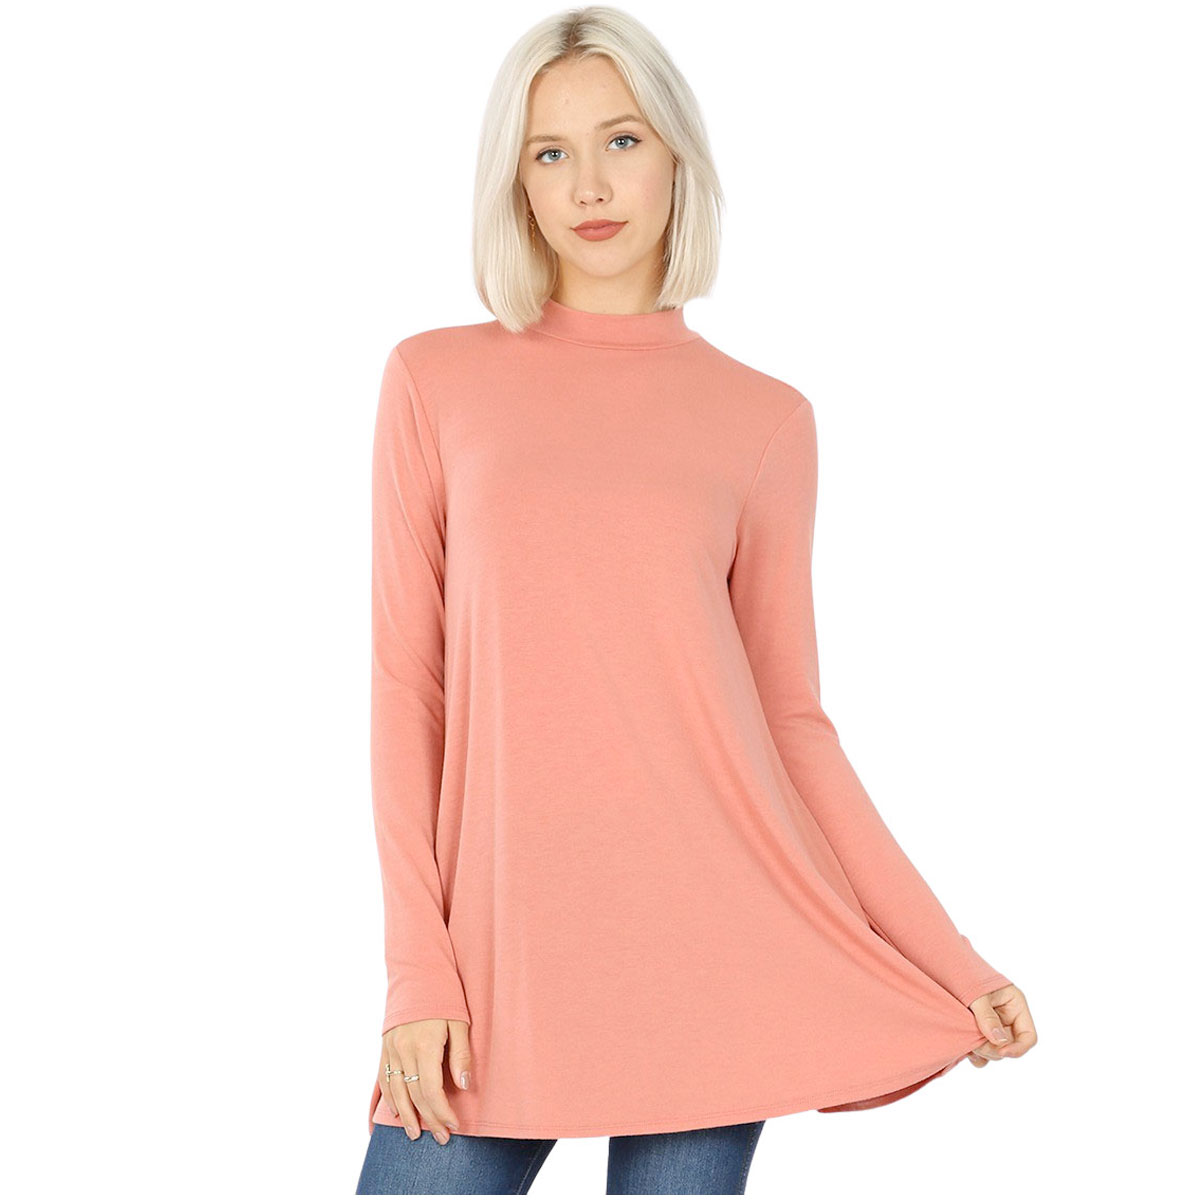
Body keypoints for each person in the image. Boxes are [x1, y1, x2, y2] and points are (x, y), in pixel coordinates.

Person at [355, 7, 1037, 1195]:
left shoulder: (763, 420)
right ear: (516, 181)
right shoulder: (436, 379)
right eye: (550, 152)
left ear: (676, 154)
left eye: (621, 140)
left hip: (715, 954)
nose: (589, 184)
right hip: (498, 961)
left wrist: (953, 959)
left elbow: (791, 726)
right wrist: (419, 969)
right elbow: (408, 687)